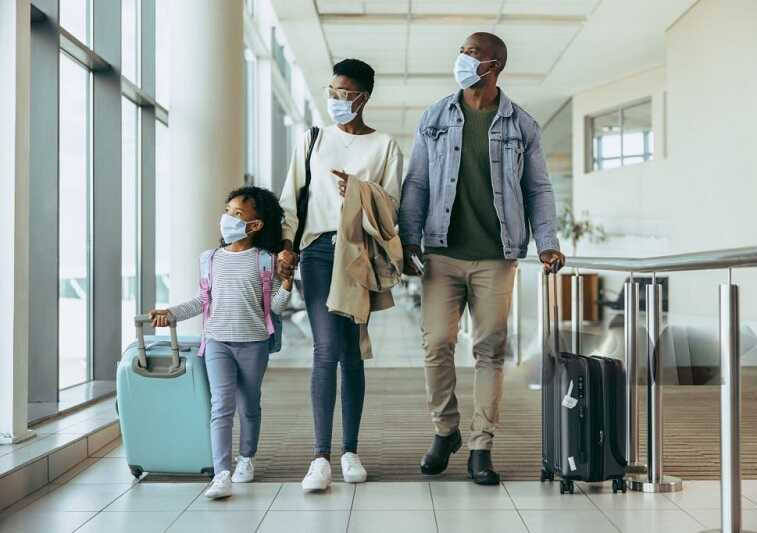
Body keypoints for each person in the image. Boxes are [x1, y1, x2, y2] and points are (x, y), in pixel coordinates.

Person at [398, 32, 566, 485]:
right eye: (461, 51)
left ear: (495, 65)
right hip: (442, 254)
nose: (463, 58)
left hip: (497, 256)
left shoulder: (521, 125)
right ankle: (445, 430)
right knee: (436, 346)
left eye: (472, 53)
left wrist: (547, 240)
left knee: (490, 351)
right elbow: (415, 183)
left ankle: (480, 445)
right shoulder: (435, 116)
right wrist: (408, 239)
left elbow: (538, 189)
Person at [278, 59, 403, 491]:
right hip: (316, 253)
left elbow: (392, 210)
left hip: (359, 254)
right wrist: (286, 248)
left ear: (362, 97)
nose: (334, 99)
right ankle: (319, 457)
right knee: (325, 347)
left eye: (342, 93)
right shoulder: (313, 138)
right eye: (330, 91)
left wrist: (361, 193)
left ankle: (350, 451)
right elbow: (291, 199)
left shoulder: (385, 146)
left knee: (351, 351)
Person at [149, 186, 292, 499]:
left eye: (237, 214)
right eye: (227, 211)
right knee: (221, 406)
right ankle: (222, 473)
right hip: (216, 343)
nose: (227, 218)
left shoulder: (265, 261)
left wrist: (289, 283)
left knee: (249, 403)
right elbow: (202, 301)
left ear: (255, 225)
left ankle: (247, 458)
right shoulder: (209, 259)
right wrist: (170, 313)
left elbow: (277, 308)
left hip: (254, 343)